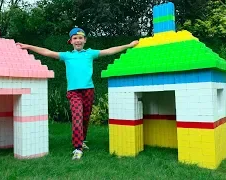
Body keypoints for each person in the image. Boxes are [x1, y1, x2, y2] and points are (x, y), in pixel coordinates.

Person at [16, 27, 139, 160]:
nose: (78, 40)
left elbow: (109, 51)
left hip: (88, 91)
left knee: (85, 118)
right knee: (77, 117)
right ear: (71, 41)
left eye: (80, 38)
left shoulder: (90, 53)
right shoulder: (67, 56)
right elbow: (47, 52)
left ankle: (82, 140)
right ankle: (77, 148)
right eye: (75, 38)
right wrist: (28, 46)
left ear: (85, 40)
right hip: (73, 92)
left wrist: (129, 45)